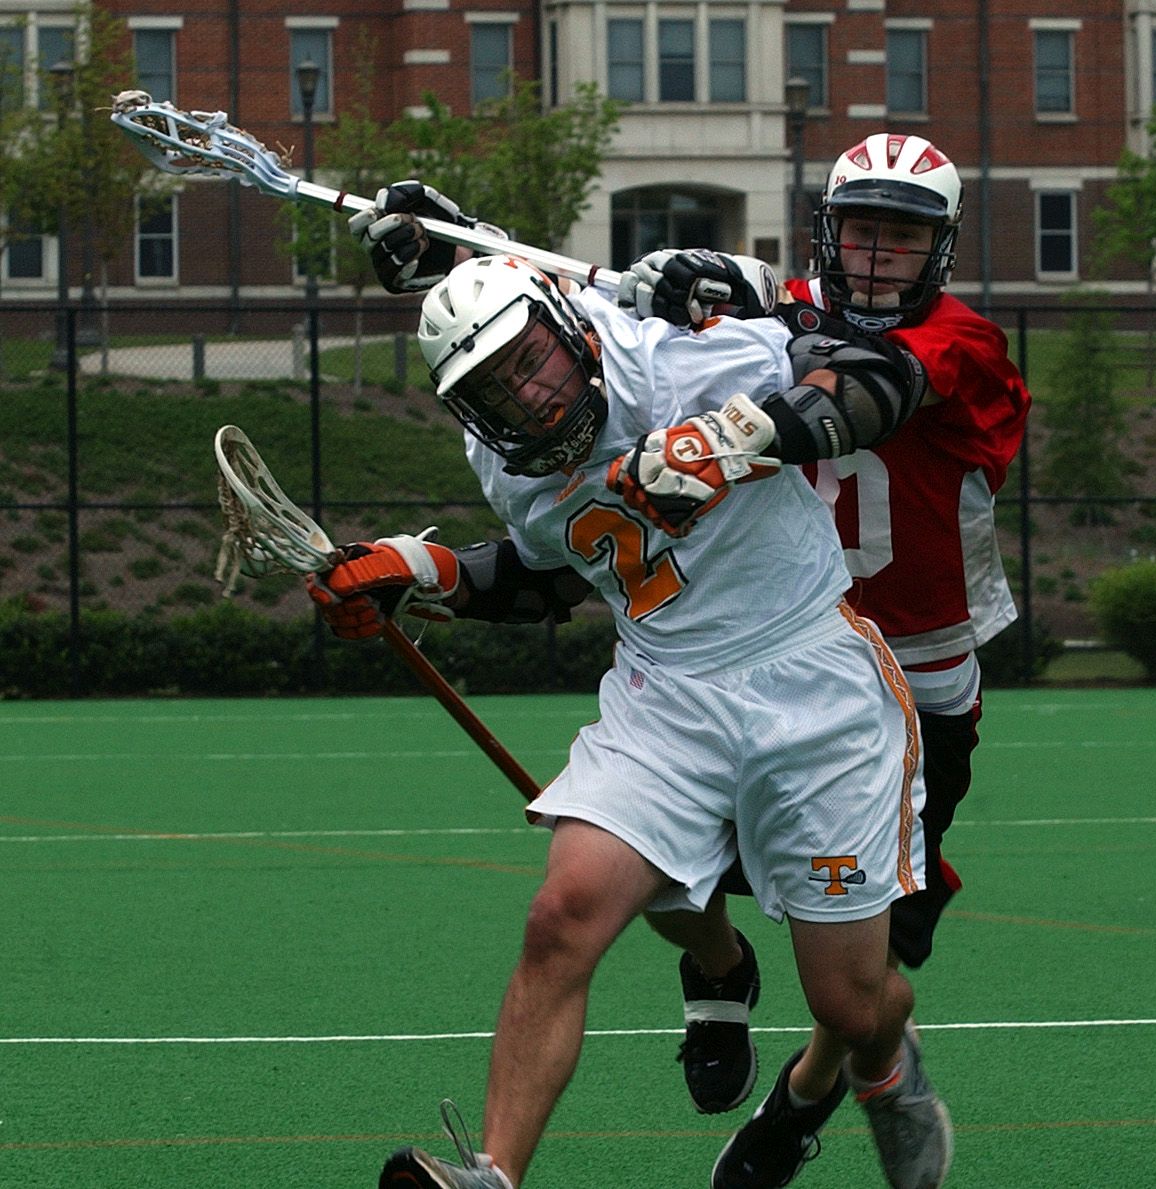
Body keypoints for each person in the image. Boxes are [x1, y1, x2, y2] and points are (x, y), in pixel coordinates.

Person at [307, 248, 953, 1188]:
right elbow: (567, 565)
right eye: (493, 390)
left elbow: (886, 375)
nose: (528, 397)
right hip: (665, 696)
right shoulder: (506, 461)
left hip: (811, 682)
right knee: (561, 914)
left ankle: (885, 1071)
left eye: (530, 360)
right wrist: (423, 571)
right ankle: (493, 1174)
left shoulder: (681, 358)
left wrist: (732, 438)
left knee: (850, 1008)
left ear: (567, 329)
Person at [616, 132, 1028, 1189]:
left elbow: (859, 387)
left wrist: (741, 393)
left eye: (904, 237)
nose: (878, 257)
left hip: (916, 679)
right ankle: (718, 966)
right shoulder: (788, 305)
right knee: (653, 849)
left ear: (940, 249)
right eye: (860, 232)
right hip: (771, 654)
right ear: (827, 233)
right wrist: (663, 285)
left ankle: (803, 1100)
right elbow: (682, 323)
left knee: (862, 975)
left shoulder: (965, 342)